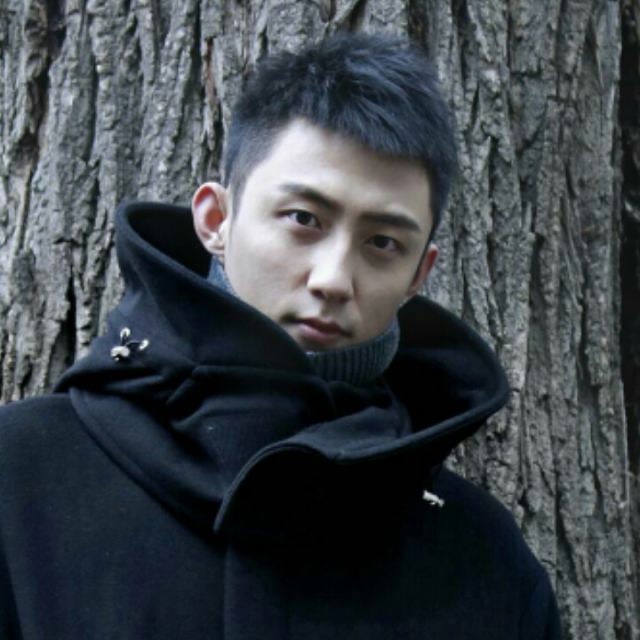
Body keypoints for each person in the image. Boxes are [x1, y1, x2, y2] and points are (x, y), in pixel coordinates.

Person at [0, 33, 561, 639]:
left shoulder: (482, 561)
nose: (333, 279)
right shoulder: (19, 482)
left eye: (382, 243)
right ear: (217, 219)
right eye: (303, 219)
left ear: (418, 276)